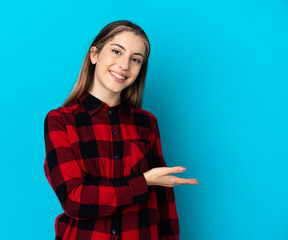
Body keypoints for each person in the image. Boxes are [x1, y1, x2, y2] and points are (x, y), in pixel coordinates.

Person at [43, 20, 199, 240]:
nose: (125, 65)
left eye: (136, 59)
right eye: (117, 51)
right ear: (94, 55)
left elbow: (165, 204)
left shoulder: (148, 124)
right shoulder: (60, 121)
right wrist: (143, 182)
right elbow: (75, 200)